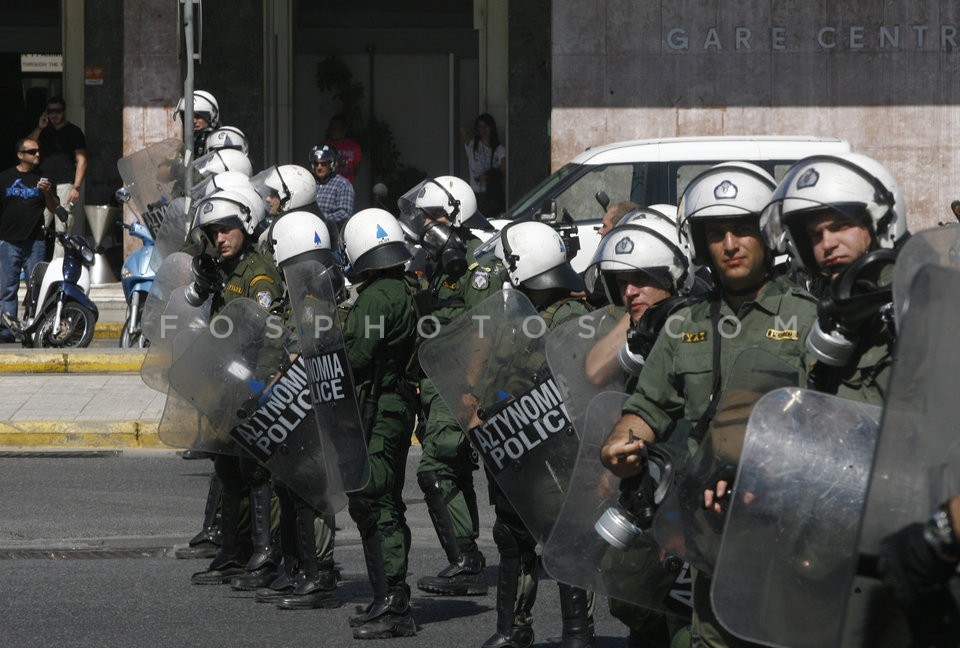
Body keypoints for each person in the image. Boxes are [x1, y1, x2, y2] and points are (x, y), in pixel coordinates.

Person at [600, 162, 818, 648]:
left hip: (790, 528)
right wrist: (621, 442)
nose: (730, 244)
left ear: (768, 236)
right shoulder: (682, 325)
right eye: (716, 232)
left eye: (743, 229)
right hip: (711, 532)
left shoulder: (808, 319)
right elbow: (648, 407)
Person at [474, 220, 595, 648]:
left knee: (566, 536)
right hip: (515, 446)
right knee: (512, 534)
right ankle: (513, 628)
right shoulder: (516, 313)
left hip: (556, 446)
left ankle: (578, 632)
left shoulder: (572, 316)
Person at [396, 175, 494, 597]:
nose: (426, 225)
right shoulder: (437, 261)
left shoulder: (477, 264)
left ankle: (466, 560)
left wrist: (471, 391)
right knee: (452, 468)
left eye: (434, 216)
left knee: (436, 467)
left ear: (457, 214)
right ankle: (468, 556)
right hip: (436, 378)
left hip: (460, 380)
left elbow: (486, 330)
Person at [185, 188, 285, 589]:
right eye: (213, 232)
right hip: (225, 383)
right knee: (226, 466)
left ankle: (265, 553)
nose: (220, 238)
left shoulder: (258, 274)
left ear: (246, 226)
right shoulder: (224, 271)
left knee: (256, 470)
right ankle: (232, 550)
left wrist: (259, 387)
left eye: (226, 229)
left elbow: (271, 335)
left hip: (252, 386)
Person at [760, 152, 908, 406]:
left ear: (881, 224)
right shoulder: (837, 313)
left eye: (840, 226)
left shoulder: (920, 306)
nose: (827, 244)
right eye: (814, 235)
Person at [340, 208, 418, 639]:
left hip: (379, 408)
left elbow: (356, 357)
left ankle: (395, 605)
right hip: (393, 406)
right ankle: (384, 596)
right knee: (376, 500)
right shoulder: (402, 288)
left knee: (378, 502)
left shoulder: (376, 297)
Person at [0, 138, 59, 343]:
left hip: (35, 241)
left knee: (36, 289)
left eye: (38, 151)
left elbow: (54, 209)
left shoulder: (43, 179)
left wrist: (47, 192)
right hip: (8, 241)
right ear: (20, 155)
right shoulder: (5, 178)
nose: (37, 155)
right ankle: (7, 330)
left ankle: (33, 329)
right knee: (8, 288)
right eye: (32, 151)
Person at [26, 96, 86, 258]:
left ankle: (57, 269)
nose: (54, 115)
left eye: (58, 111)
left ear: (64, 111)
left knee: (63, 231)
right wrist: (40, 127)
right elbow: (26, 146)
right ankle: (33, 267)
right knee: (38, 227)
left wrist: (76, 187)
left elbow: (82, 160)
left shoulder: (74, 132)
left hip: (65, 185)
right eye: (51, 111)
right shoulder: (44, 131)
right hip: (44, 184)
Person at [461, 113, 506, 218]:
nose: (483, 130)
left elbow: (503, 170)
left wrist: (488, 176)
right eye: (480, 127)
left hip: (491, 193)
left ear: (492, 128)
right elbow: (462, 130)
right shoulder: (472, 145)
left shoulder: (499, 149)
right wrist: (476, 133)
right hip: (475, 191)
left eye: (486, 126)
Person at [310, 144, 355, 229]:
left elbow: (344, 213)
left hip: (331, 234)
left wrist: (320, 219)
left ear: (331, 165)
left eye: (323, 164)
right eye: (316, 164)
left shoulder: (342, 184)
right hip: (307, 230)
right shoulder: (308, 182)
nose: (319, 167)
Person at [174, 89, 220, 158]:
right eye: (188, 116)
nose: (193, 121)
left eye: (199, 116)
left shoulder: (220, 144)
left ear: (212, 118)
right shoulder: (184, 146)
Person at [325, 114, 362, 186]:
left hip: (346, 187)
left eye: (337, 128)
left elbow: (356, 169)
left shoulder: (354, 147)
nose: (333, 131)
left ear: (344, 130)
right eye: (332, 128)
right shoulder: (325, 146)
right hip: (328, 187)